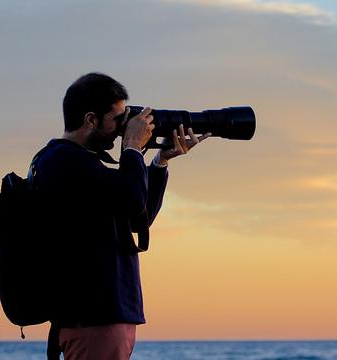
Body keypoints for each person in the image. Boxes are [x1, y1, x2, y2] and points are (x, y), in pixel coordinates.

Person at [32, 73, 210, 360]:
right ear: (91, 119)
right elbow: (131, 199)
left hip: (105, 317)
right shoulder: (63, 161)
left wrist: (159, 161)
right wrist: (132, 149)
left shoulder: (81, 164)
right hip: (95, 317)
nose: (120, 130)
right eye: (117, 120)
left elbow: (137, 216)